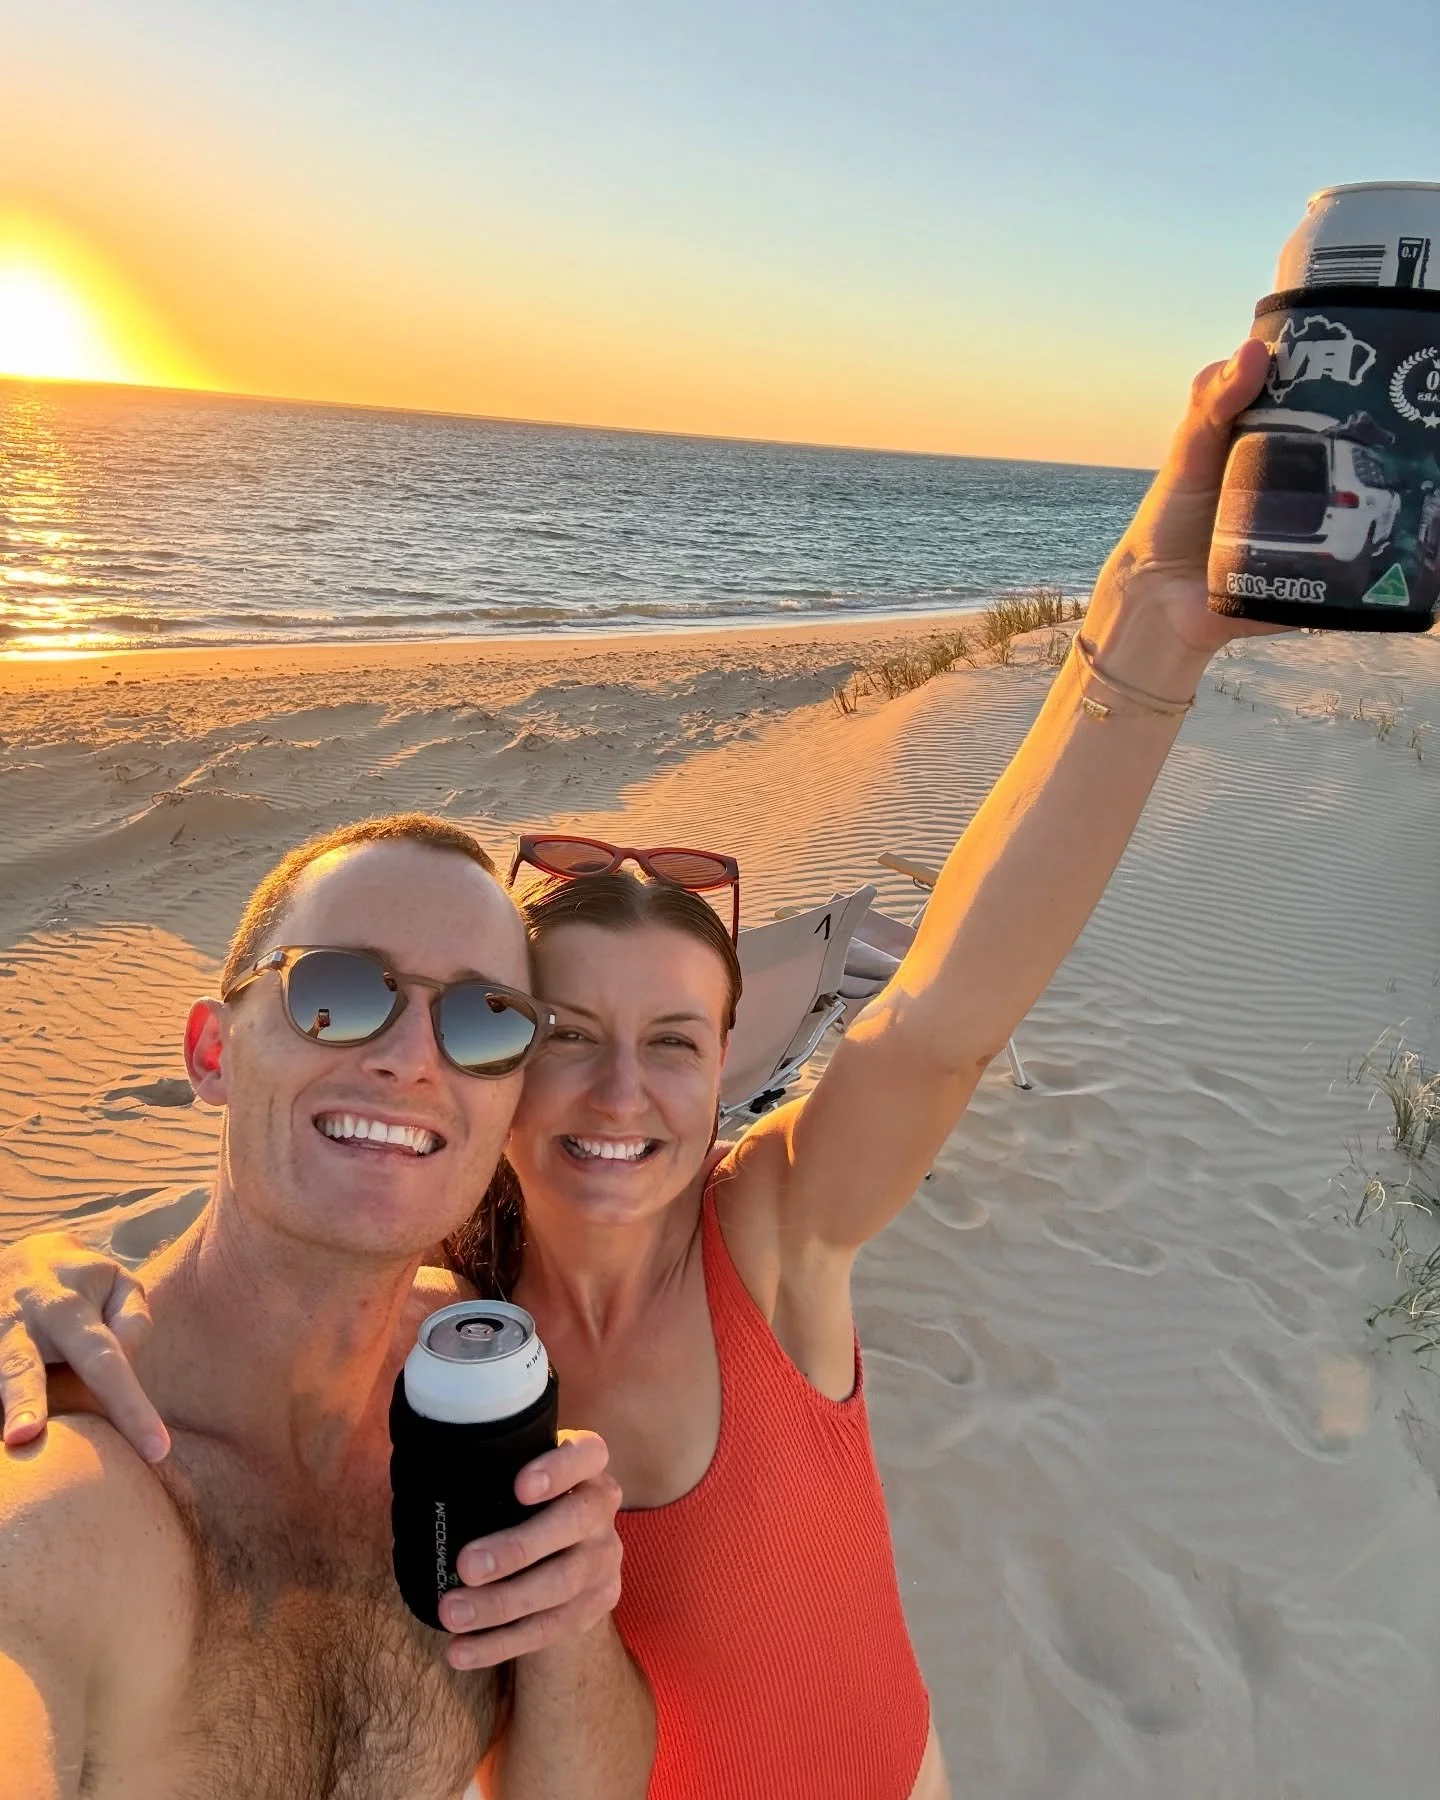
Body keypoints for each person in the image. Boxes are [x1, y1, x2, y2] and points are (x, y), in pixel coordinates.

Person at [0, 339, 1278, 1798]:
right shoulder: (438, 1337)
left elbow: (939, 1014)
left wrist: (1140, 636)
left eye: (672, 1045)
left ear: (728, 1064)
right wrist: (46, 1274)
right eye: (556, 1036)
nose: (620, 1096)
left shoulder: (757, 1239)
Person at [0, 819, 655, 1799]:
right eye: (338, 994)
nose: (412, 1059)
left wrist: (571, 1609)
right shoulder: (64, 1494)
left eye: (483, 1020)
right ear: (213, 1053)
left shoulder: (476, 1385)